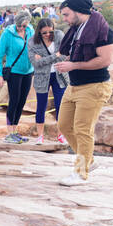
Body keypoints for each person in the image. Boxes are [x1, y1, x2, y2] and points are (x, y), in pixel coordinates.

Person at [54, 0, 113, 186]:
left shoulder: (103, 31)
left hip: (94, 87)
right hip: (74, 86)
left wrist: (74, 65)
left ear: (78, 10)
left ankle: (81, 173)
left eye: (66, 14)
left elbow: (105, 60)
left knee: (83, 129)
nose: (64, 19)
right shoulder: (77, 29)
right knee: (64, 126)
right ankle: (89, 160)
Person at [0, 9, 34, 143]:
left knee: (22, 102)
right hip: (14, 73)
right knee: (14, 101)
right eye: (20, 25)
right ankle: (9, 133)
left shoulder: (30, 31)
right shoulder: (7, 34)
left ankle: (15, 132)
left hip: (28, 71)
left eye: (24, 25)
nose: (22, 28)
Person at [28, 18, 68, 146]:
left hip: (59, 75)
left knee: (60, 106)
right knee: (41, 106)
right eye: (44, 33)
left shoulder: (59, 36)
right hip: (41, 77)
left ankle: (61, 135)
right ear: (39, 32)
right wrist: (55, 55)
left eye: (50, 32)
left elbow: (65, 54)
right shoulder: (32, 42)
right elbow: (35, 63)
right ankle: (40, 136)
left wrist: (45, 58)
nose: (47, 35)